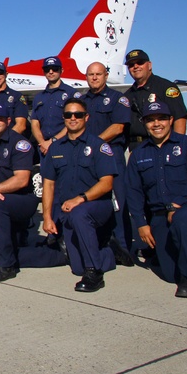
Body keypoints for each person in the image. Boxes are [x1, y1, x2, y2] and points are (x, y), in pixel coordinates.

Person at [126, 102, 187, 298]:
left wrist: (176, 205)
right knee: (168, 274)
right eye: (150, 120)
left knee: (182, 222)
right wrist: (141, 223)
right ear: (144, 124)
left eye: (161, 118)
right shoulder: (138, 154)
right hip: (160, 214)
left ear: (171, 120)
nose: (156, 124)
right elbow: (134, 191)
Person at [0, 103, 66, 282]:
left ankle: (5, 266)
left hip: (23, 200)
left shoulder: (20, 143)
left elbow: (22, 179)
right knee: (17, 251)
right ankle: (63, 254)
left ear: (8, 120)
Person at [40, 99, 118, 292]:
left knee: (79, 213)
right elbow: (48, 184)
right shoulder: (56, 149)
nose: (73, 118)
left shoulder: (99, 145)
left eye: (78, 115)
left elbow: (107, 183)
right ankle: (110, 253)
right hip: (69, 210)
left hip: (97, 206)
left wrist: (81, 199)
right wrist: (47, 217)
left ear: (86, 117)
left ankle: (94, 273)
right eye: (68, 115)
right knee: (76, 267)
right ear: (63, 118)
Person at [80, 61, 134, 266]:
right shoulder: (82, 101)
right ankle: (99, 245)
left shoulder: (117, 99)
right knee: (90, 201)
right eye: (90, 74)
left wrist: (94, 144)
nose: (94, 78)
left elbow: (118, 127)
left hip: (111, 155)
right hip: (87, 158)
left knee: (118, 203)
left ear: (106, 75)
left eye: (98, 74)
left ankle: (123, 248)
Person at [124, 49, 187, 150]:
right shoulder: (127, 95)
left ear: (149, 65)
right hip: (136, 148)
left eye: (140, 63)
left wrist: (176, 146)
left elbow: (179, 118)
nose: (135, 66)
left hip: (162, 146)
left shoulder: (166, 88)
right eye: (131, 65)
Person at [31, 57, 80, 156]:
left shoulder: (71, 93)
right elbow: (35, 124)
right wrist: (43, 143)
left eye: (55, 69)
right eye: (47, 69)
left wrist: (52, 141)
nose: (51, 72)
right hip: (43, 149)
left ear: (61, 71)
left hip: (65, 145)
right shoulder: (39, 97)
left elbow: (74, 122)